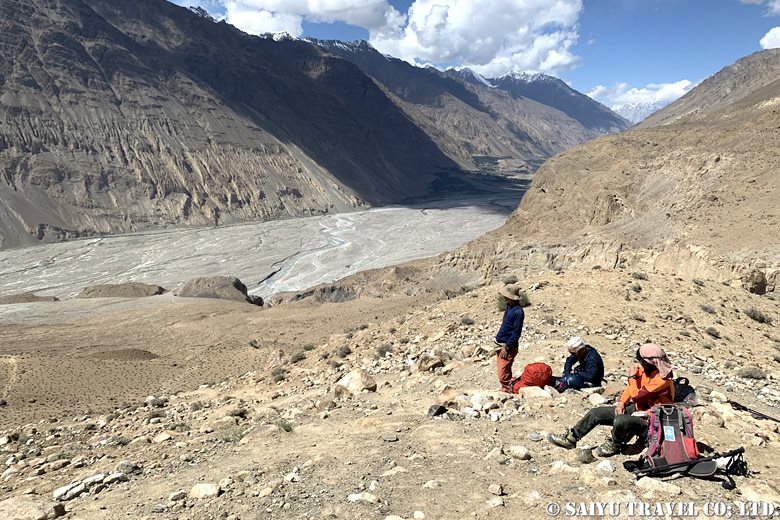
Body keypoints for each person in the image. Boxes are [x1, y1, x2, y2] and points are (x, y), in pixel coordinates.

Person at [547, 343, 674, 457]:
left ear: (649, 362)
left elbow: (636, 395)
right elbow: (631, 389)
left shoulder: (662, 380)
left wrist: (631, 377)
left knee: (620, 420)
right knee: (596, 413)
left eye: (642, 361)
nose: (640, 364)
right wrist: (621, 403)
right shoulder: (645, 370)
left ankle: (616, 443)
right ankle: (571, 438)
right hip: (637, 409)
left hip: (652, 419)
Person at [494, 284, 525, 393]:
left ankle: (509, 390)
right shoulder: (509, 307)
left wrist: (507, 347)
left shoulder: (518, 312)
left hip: (507, 346)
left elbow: (516, 332)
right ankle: (506, 388)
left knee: (503, 374)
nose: (505, 298)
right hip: (500, 343)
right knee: (503, 370)